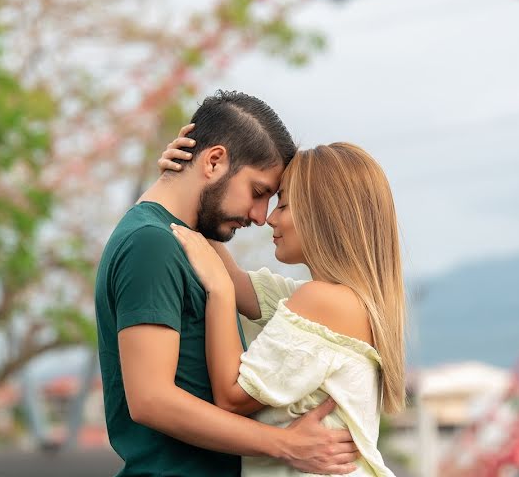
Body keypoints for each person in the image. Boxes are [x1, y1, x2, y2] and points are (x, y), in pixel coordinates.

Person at [95, 91, 361, 477]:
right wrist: (286, 445)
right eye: (257, 193)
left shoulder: (181, 242)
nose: (259, 216)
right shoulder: (151, 244)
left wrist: (174, 181)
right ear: (215, 160)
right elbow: (150, 399)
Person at [162, 128, 405, 476]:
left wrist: (219, 292)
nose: (269, 218)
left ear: (325, 216)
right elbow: (239, 282)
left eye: (285, 204)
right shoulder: (334, 300)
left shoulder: (323, 302)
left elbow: (231, 397)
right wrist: (188, 185)